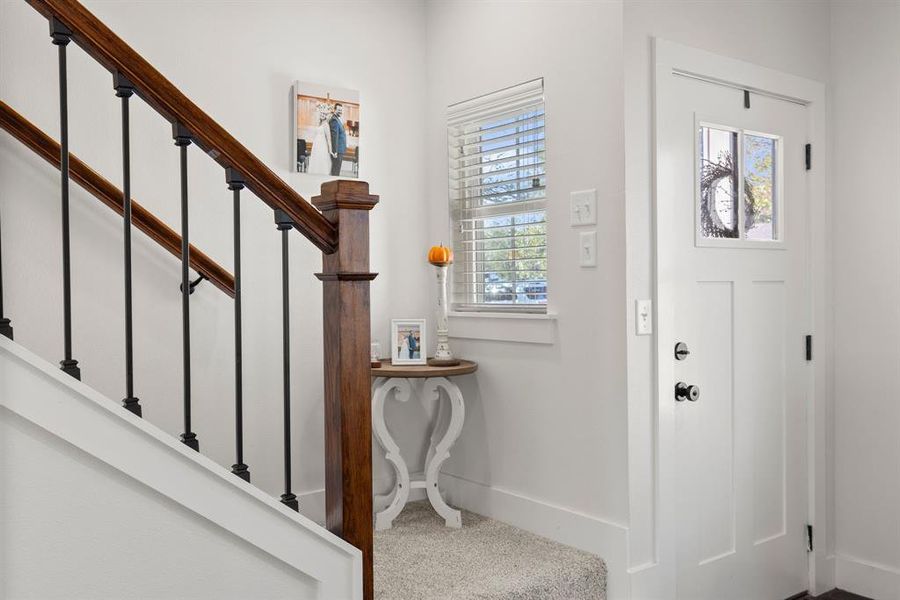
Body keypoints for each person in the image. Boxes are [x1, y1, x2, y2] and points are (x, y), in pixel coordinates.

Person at [307, 107, 333, 175]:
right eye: (322, 113)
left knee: (320, 159)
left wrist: (330, 150)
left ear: (326, 116)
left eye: (324, 114)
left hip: (322, 145)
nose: (322, 115)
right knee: (315, 159)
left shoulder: (326, 125)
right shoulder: (319, 123)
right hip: (316, 144)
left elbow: (329, 139)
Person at [328, 103, 347, 176]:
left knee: (336, 170)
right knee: (335, 171)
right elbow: (334, 137)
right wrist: (335, 151)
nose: (340, 112)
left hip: (340, 150)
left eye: (341, 110)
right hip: (337, 151)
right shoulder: (334, 120)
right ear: (334, 110)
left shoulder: (337, 119)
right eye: (339, 110)